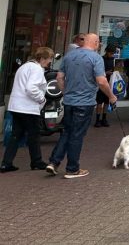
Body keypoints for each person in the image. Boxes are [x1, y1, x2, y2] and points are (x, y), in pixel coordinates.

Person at [46, 34, 116, 178]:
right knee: (77, 135)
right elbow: (101, 81)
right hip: (85, 102)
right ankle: (72, 169)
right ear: (95, 43)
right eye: (98, 43)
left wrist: (66, 92)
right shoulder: (96, 58)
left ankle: (54, 162)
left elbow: (59, 77)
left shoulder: (69, 56)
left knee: (67, 132)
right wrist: (111, 96)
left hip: (69, 101)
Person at [0, 47, 52, 173]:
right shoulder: (37, 69)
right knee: (34, 134)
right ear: (43, 58)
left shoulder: (24, 67)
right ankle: (36, 161)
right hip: (28, 107)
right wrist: (41, 99)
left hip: (16, 105)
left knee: (16, 135)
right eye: (49, 59)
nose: (49, 62)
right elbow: (31, 88)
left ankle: (6, 163)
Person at [94, 45, 116, 128]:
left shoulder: (113, 60)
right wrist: (106, 73)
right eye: (111, 53)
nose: (112, 55)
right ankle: (97, 119)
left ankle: (104, 118)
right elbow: (97, 71)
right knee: (99, 102)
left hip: (110, 82)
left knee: (107, 102)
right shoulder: (101, 59)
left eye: (113, 53)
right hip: (102, 83)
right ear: (107, 51)